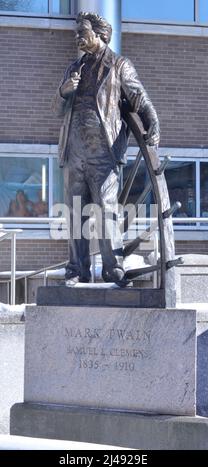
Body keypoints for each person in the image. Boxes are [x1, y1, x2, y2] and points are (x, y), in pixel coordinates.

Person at [52, 11, 160, 287]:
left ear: (100, 34)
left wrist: (153, 123)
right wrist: (64, 91)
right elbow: (58, 110)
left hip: (103, 152)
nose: (77, 36)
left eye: (82, 31)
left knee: (106, 210)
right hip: (74, 151)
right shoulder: (73, 69)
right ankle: (76, 270)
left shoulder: (118, 65)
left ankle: (114, 268)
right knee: (76, 211)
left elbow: (138, 97)